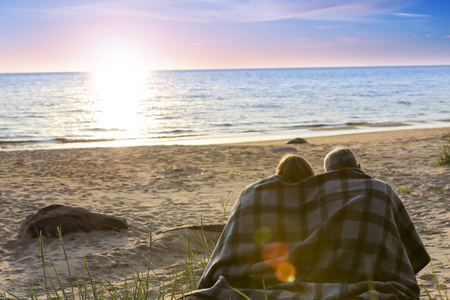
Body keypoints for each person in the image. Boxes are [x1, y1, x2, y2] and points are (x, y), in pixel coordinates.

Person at [185, 148, 430, 300]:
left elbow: (226, 250)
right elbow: (406, 247)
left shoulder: (251, 193)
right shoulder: (372, 191)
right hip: (354, 277)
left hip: (256, 278)